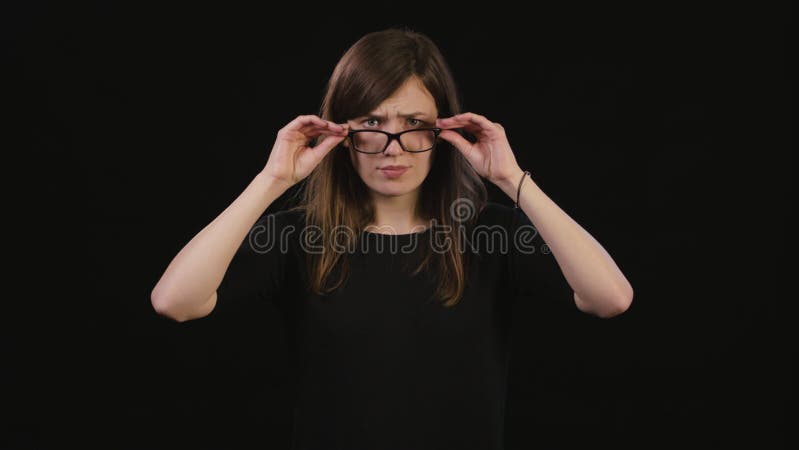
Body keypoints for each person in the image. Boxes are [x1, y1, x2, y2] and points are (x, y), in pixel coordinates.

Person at [151, 27, 634, 450]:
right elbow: (175, 301)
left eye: (415, 125)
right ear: (341, 132)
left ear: (444, 130)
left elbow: (609, 298)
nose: (393, 147)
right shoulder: (295, 236)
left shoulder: (493, 233)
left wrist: (511, 179)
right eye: (371, 124)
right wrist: (273, 179)